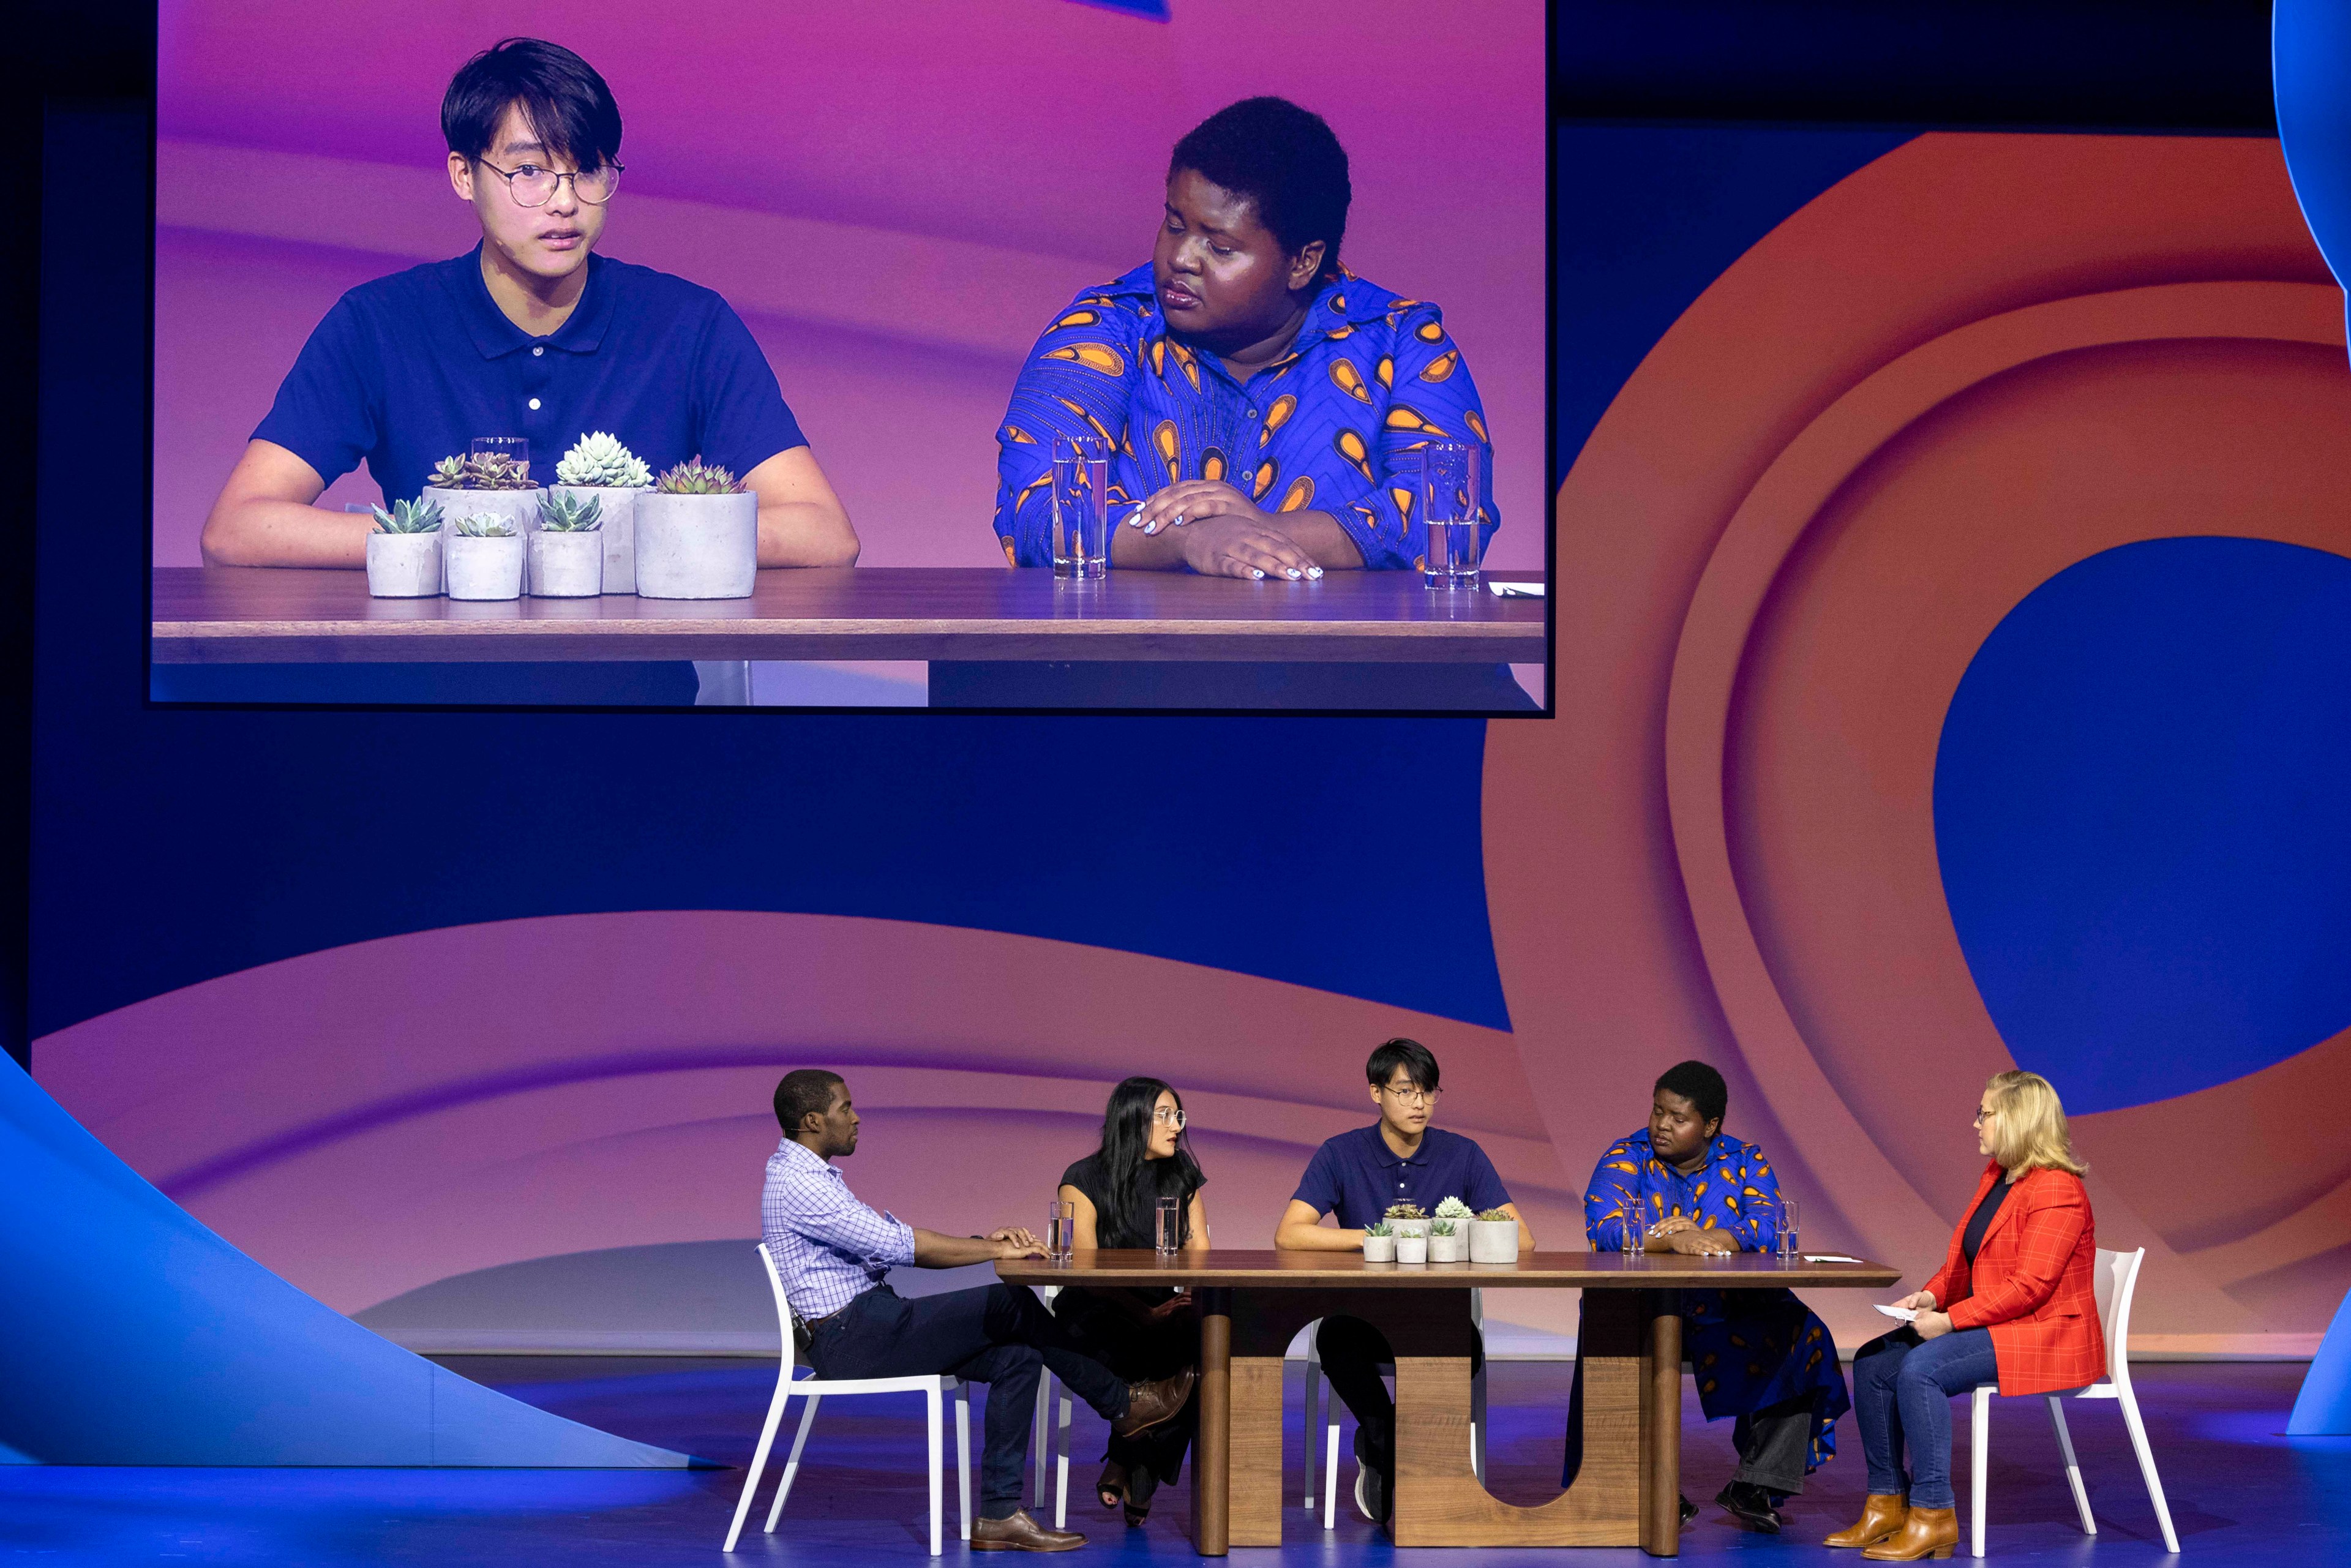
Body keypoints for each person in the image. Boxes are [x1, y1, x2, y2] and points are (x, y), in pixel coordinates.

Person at [201, 37, 856, 574]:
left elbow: (825, 533)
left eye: (589, 170)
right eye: (530, 172)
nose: (565, 201)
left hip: (631, 707)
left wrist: (615, 543)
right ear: (465, 176)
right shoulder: (380, 324)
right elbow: (238, 527)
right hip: (428, 701)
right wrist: (461, 542)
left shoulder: (688, 325)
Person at [991, 97, 1498, 580]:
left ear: (1302, 262)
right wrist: (1189, 542)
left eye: (1220, 246)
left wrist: (1261, 533)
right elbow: (1034, 507)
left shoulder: (1400, 341)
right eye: (1174, 224)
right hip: (1145, 664)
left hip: (1361, 667)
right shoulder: (1107, 328)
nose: (1182, 258)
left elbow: (1452, 512)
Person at [762, 1070, 1194, 1553]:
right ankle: (1123, 1403)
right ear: (812, 1120)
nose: (856, 1116)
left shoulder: (811, 1176)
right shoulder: (799, 1183)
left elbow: (880, 1249)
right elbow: (902, 1246)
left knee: (1018, 1355)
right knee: (1006, 1299)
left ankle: (999, 1514)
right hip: (854, 1335)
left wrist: (983, 1243)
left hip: (870, 1323)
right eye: (845, 1109)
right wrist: (993, 1250)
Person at [1826, 1070, 2104, 1562]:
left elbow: (2031, 1286)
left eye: (1985, 1113)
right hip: (2005, 1321)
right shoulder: (1999, 1176)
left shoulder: (2058, 1189)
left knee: (1921, 1369)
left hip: (2045, 1333)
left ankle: (1934, 1514)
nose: (1976, 1123)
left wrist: (1952, 1322)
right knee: (1873, 1361)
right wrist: (1932, 1298)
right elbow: (1966, 1261)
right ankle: (1888, 1502)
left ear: (2017, 1119)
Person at [1569, 1061, 1850, 1535]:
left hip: (1728, 1310)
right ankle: (1645, 1487)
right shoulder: (1627, 1155)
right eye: (1658, 1110)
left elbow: (1769, 1220)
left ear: (1711, 1125)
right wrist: (1668, 1241)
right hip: (1647, 1308)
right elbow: (1604, 1228)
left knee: (1805, 1334)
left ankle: (1757, 1483)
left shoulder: (1744, 1159)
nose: (1661, 1124)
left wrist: (1713, 1234)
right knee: (1608, 1328)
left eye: (1678, 1117)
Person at [1273, 1038, 1532, 1526]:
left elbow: (1523, 1237)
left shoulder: (1463, 1153)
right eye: (1406, 1091)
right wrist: (1377, 1238)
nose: (1420, 1103)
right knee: (1334, 1338)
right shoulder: (1341, 1152)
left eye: (1429, 1092)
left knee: (1467, 1347)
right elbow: (1290, 1232)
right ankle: (1386, 1438)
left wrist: (1445, 1239)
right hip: (1361, 1318)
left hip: (1437, 1316)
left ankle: (1379, 1445)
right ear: (1376, 1092)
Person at [1051, 1078, 1210, 1527]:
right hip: (1097, 1309)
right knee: (1157, 1352)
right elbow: (1084, 1270)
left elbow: (1201, 1251)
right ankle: (1140, 1464)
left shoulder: (1182, 1176)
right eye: (1164, 1115)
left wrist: (1186, 1300)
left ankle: (1131, 1459)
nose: (1175, 1125)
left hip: (1162, 1307)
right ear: (1131, 1119)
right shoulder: (1082, 1179)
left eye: (1178, 1115)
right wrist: (1144, 1313)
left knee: (1209, 1351)